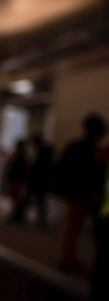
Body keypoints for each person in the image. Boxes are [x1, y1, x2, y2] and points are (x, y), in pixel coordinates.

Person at [52, 113, 106, 274]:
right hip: (81, 195)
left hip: (77, 193)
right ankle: (67, 259)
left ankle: (68, 258)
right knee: (73, 227)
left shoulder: (77, 146)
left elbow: (61, 168)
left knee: (73, 227)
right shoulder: (92, 150)